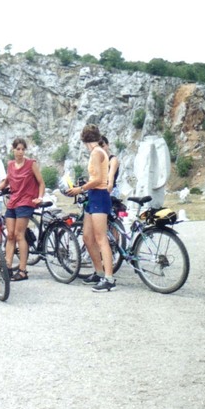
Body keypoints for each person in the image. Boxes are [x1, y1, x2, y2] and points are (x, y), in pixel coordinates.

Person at [67, 125, 116, 292]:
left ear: (85, 140)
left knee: (101, 238)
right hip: (94, 196)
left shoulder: (96, 153)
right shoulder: (98, 151)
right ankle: (99, 272)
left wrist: (80, 189)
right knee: (87, 237)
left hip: (99, 195)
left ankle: (109, 278)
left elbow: (98, 179)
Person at [0, 138, 44, 283]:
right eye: (18, 149)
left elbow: (41, 182)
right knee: (10, 235)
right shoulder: (10, 165)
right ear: (13, 150)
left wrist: (39, 197)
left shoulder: (31, 164)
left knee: (19, 235)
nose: (20, 152)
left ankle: (22, 270)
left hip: (26, 201)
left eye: (22, 149)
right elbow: (6, 181)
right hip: (13, 202)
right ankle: (7, 266)